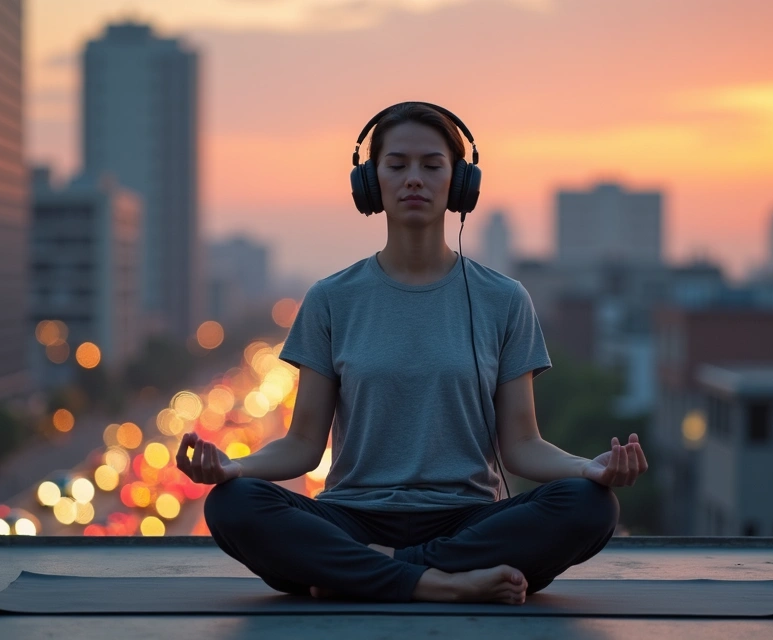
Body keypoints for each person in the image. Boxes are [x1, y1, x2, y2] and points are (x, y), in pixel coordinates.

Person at [177, 101, 649, 606]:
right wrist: (235, 469)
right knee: (233, 506)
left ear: (460, 182)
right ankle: (439, 583)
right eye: (397, 165)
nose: (414, 180)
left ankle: (368, 574)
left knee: (591, 507)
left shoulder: (504, 300)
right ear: (371, 182)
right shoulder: (331, 299)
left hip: (466, 518)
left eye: (432, 165)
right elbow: (302, 447)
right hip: (355, 515)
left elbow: (522, 446)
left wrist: (588, 470)